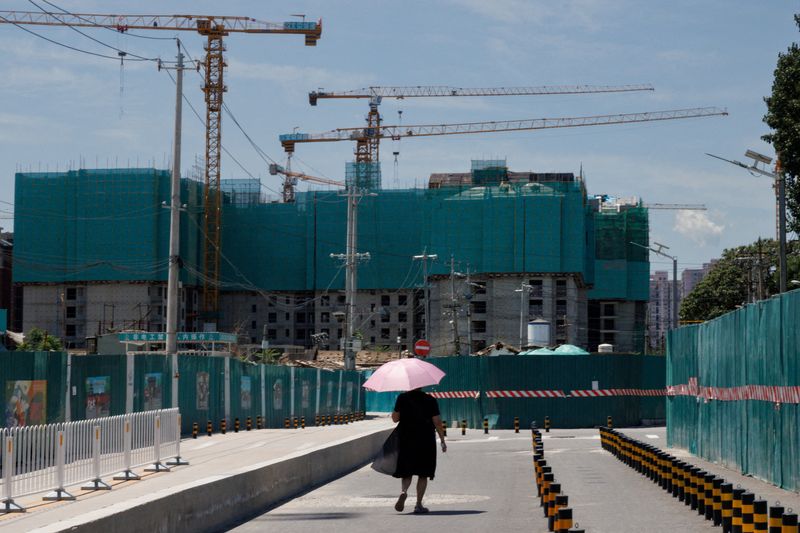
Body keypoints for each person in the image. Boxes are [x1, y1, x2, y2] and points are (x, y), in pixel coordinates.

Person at [391, 387, 446, 514]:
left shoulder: (402, 398)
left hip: (406, 440)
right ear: (422, 385)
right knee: (423, 473)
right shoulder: (430, 399)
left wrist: (396, 410)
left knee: (407, 471)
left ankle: (404, 492)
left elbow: (395, 419)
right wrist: (442, 440)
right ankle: (418, 504)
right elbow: (437, 422)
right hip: (425, 441)